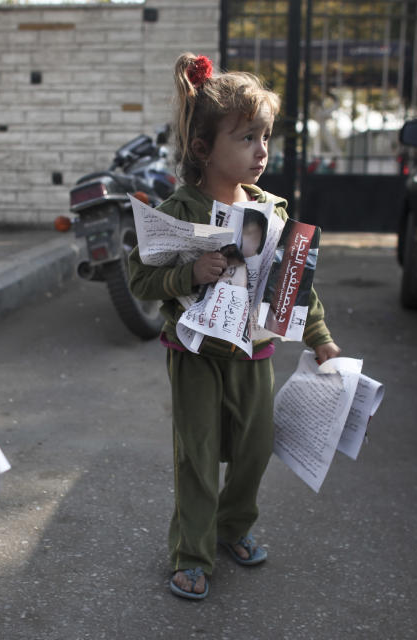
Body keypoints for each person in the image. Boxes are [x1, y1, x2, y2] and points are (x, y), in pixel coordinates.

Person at [128, 53, 341, 600]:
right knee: (197, 455)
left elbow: (298, 284)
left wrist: (320, 338)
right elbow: (140, 279)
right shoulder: (181, 208)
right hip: (195, 354)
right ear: (203, 149)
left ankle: (233, 527)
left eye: (265, 137)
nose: (262, 151)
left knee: (255, 448)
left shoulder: (272, 210)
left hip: (255, 354)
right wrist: (188, 272)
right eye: (247, 138)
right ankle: (193, 553)